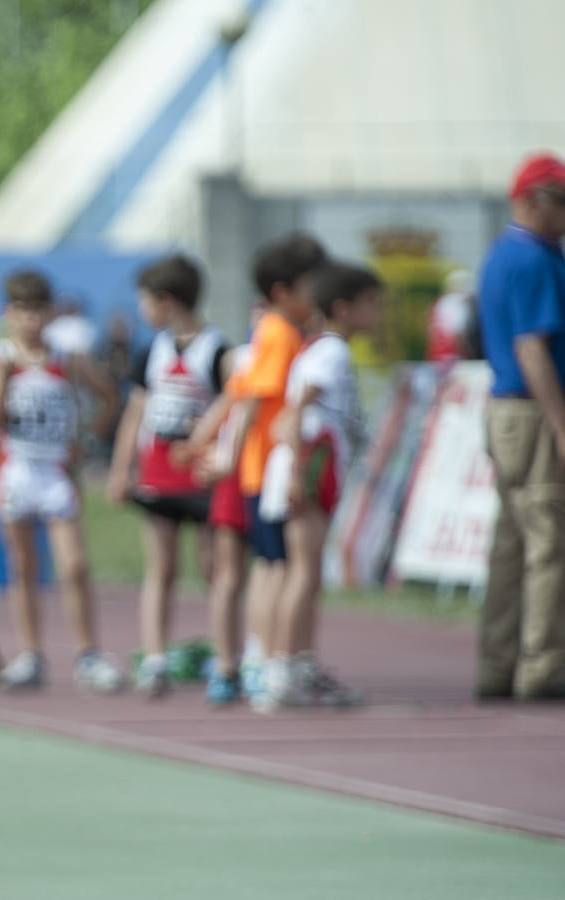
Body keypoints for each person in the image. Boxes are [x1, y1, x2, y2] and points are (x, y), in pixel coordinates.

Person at [182, 234, 327, 704]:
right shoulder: (281, 334)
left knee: (271, 567)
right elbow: (252, 400)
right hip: (269, 470)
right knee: (278, 568)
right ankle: (269, 662)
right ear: (284, 291)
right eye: (312, 285)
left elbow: (237, 393)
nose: (320, 294)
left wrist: (206, 439)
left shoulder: (273, 331)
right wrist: (225, 454)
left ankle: (262, 659)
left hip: (259, 469)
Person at [0, 269, 123, 691]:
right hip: (16, 470)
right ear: (9, 313)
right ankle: (29, 655)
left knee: (75, 566)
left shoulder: (67, 356)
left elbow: (110, 395)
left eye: (38, 311)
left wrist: (90, 437)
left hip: (57, 472)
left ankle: (88, 654)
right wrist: (2, 379)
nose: (30, 321)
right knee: (23, 567)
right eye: (21, 311)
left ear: (50, 313)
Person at [253, 262, 381, 710]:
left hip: (307, 470)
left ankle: (297, 666)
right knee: (302, 573)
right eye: (372, 304)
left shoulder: (325, 350)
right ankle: (282, 672)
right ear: (343, 309)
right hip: (306, 473)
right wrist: (295, 476)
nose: (379, 313)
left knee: (302, 573)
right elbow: (292, 416)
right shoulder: (331, 353)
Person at [106, 254, 230, 697]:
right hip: (158, 477)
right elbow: (134, 413)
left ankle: (224, 657)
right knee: (161, 569)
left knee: (217, 570)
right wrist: (122, 470)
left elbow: (233, 405)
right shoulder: (151, 351)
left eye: (145, 299)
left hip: (202, 479)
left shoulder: (217, 350)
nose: (140, 308)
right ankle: (155, 658)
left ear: (167, 301)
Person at [476, 152, 565, 702]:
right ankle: (544, 666)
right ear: (534, 200)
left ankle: (497, 661)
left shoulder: (504, 254)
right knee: (549, 540)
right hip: (532, 410)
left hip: (506, 410)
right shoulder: (534, 259)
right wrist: (560, 420)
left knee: (510, 540)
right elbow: (532, 347)